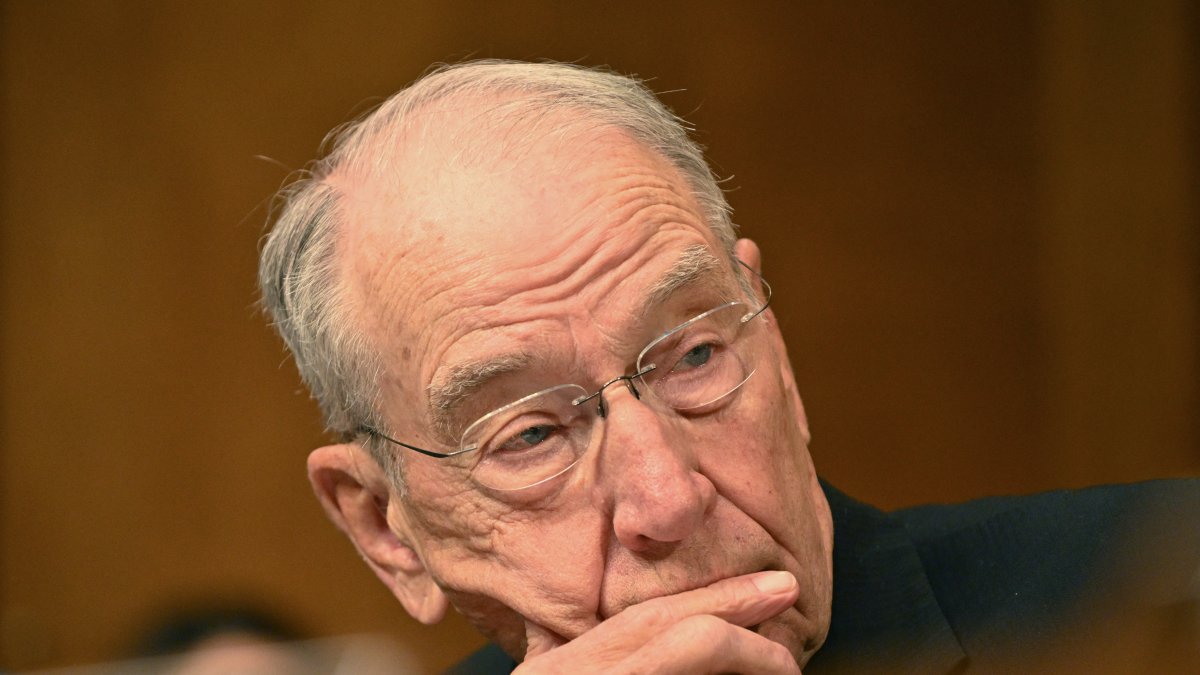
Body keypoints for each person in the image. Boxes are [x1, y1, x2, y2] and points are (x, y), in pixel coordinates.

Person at [259, 60, 1199, 673]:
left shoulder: (1151, 597)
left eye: (696, 355)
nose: (668, 499)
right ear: (385, 525)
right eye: (533, 432)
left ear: (774, 352)